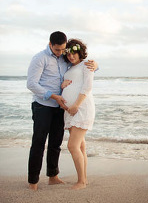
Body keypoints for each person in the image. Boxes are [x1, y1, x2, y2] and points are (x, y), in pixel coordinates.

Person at [26, 31, 97, 190]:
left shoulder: (66, 59)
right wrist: (53, 95)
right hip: (43, 105)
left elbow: (83, 71)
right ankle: (33, 181)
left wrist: (96, 65)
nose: (62, 53)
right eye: (58, 50)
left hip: (62, 108)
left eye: (63, 50)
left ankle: (53, 176)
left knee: (56, 143)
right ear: (50, 44)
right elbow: (31, 84)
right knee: (39, 142)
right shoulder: (40, 58)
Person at [61, 38, 95, 190]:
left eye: (74, 53)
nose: (71, 57)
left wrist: (75, 105)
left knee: (72, 146)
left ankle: (81, 181)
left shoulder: (87, 65)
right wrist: (62, 84)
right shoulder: (68, 68)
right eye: (68, 54)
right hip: (70, 111)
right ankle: (84, 180)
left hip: (81, 108)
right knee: (80, 147)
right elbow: (72, 83)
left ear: (80, 52)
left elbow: (87, 87)